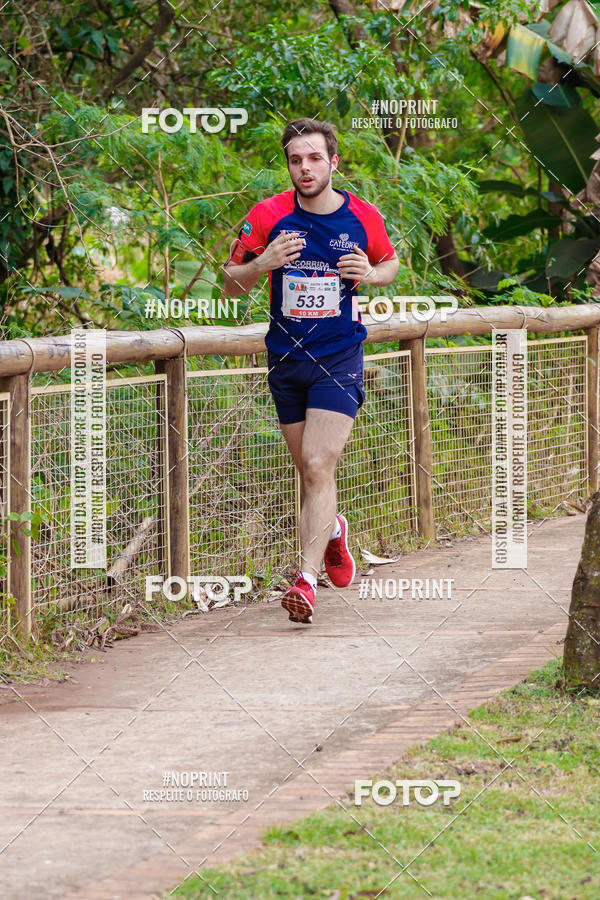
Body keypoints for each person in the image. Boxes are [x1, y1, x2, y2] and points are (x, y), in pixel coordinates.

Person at [224, 117, 399, 624]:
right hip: (285, 360)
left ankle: (305, 579)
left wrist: (370, 272)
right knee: (309, 470)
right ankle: (335, 531)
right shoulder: (267, 215)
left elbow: (390, 263)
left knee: (319, 465)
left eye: (314, 158)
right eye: (296, 160)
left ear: (333, 162)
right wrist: (262, 264)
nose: (305, 168)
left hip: (339, 356)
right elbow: (230, 283)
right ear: (288, 165)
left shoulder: (362, 216)